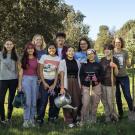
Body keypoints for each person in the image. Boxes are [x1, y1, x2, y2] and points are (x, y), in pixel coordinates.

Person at [37, 43, 60, 125]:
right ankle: (40, 118)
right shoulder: (44, 57)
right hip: (44, 81)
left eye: (53, 48)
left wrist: (54, 84)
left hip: (53, 82)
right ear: (47, 49)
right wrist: (43, 82)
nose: (51, 50)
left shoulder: (58, 59)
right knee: (43, 101)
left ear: (55, 49)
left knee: (53, 102)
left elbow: (57, 73)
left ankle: (51, 118)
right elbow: (40, 70)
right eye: (50, 48)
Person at [59, 46, 82, 128]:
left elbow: (79, 75)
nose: (71, 52)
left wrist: (80, 86)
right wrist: (62, 87)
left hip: (76, 82)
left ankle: (75, 119)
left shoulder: (77, 62)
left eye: (72, 51)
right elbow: (61, 76)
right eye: (69, 51)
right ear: (66, 53)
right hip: (66, 82)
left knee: (76, 101)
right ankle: (68, 120)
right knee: (67, 102)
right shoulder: (62, 62)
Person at [18, 42, 39, 128]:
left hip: (35, 80)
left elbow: (38, 71)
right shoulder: (23, 59)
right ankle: (26, 121)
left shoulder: (37, 59)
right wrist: (19, 85)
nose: (30, 49)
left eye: (32, 48)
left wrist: (40, 79)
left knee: (34, 102)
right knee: (27, 102)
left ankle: (32, 120)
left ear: (34, 49)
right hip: (25, 80)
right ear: (26, 50)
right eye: (28, 48)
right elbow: (20, 73)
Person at [79, 49, 103, 124]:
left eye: (92, 53)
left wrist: (97, 79)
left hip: (96, 86)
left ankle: (93, 118)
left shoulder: (98, 65)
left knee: (95, 103)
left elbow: (102, 76)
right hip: (86, 87)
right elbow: (81, 76)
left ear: (94, 54)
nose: (90, 55)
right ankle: (83, 120)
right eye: (88, 54)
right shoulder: (84, 65)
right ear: (87, 56)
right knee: (85, 103)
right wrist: (85, 79)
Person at [113, 37, 133, 119]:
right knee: (117, 96)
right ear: (114, 43)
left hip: (124, 76)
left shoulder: (125, 52)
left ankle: (132, 111)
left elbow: (128, 65)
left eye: (119, 42)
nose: (118, 44)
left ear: (121, 43)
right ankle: (120, 113)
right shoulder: (112, 52)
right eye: (116, 42)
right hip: (115, 77)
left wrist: (132, 61)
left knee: (127, 95)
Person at [0, 39, 19, 124]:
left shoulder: (16, 55)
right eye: (7, 44)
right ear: (4, 45)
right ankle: (2, 118)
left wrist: (19, 81)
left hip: (13, 80)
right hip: (2, 80)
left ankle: (9, 117)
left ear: (13, 45)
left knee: (11, 99)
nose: (9, 45)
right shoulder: (0, 54)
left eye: (10, 44)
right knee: (1, 99)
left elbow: (19, 69)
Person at [100, 44, 119, 122]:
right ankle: (107, 116)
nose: (106, 50)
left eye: (108, 49)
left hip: (111, 84)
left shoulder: (114, 60)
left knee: (110, 101)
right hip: (102, 83)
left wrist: (115, 66)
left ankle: (114, 115)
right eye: (105, 49)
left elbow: (117, 74)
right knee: (104, 101)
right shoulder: (102, 60)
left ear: (112, 50)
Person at [32, 34, 46, 116]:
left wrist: (41, 78)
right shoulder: (31, 50)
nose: (38, 41)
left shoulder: (45, 52)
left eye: (40, 39)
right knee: (34, 97)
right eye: (37, 39)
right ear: (34, 41)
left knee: (41, 97)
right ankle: (32, 115)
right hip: (33, 76)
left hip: (43, 77)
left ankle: (40, 116)